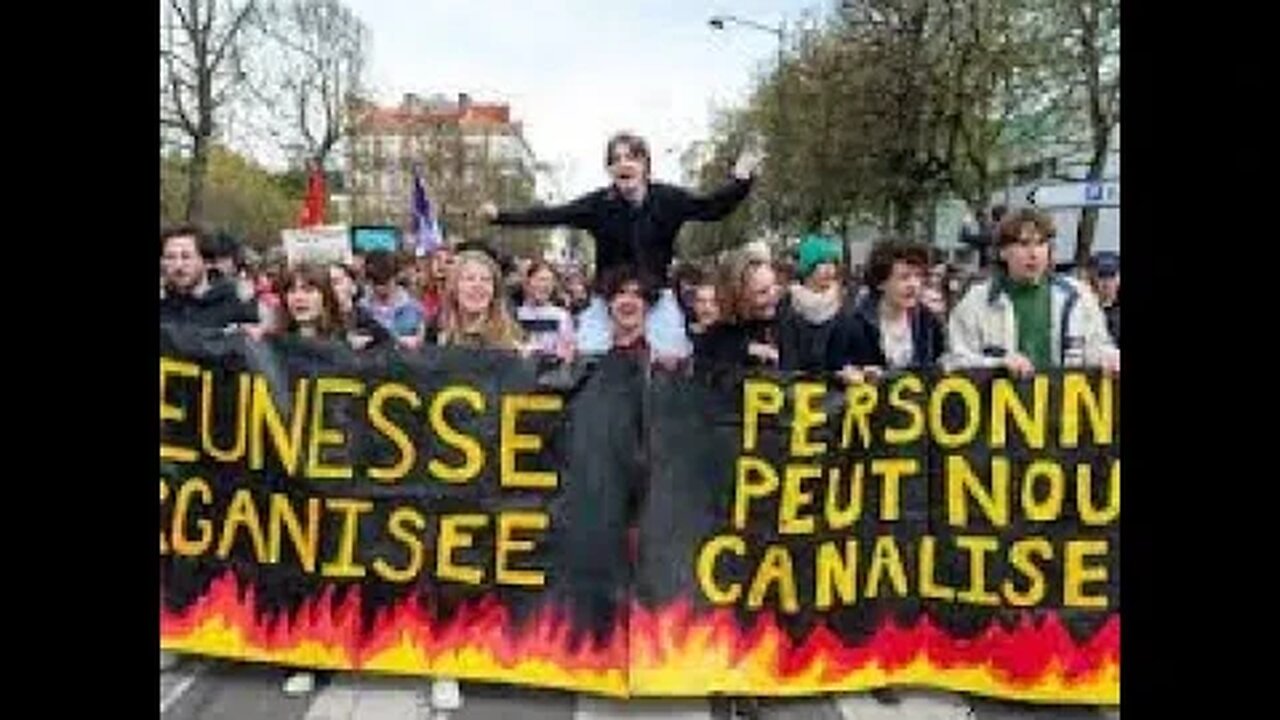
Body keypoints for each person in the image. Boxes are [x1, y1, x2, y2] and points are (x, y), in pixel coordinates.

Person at [481, 131, 760, 357]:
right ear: (610, 169)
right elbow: (551, 214)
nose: (624, 163)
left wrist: (741, 179)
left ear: (645, 166)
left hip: (656, 299)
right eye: (616, 159)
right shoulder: (598, 205)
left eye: (632, 157)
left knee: (673, 361)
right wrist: (500, 216)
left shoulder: (668, 199)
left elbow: (711, 208)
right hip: (607, 301)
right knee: (588, 358)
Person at [947, 208, 1119, 375]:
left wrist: (1108, 357)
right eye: (1024, 244)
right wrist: (997, 365)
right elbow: (955, 361)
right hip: (1000, 401)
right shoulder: (976, 301)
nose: (1034, 253)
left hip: (1063, 402)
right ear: (1002, 252)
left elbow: (1097, 346)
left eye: (1041, 244)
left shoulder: (1077, 296)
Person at [828, 238, 947, 382]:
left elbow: (939, 365)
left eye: (918, 276)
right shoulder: (851, 323)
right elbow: (831, 370)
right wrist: (851, 373)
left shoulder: (927, 320)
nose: (914, 284)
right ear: (881, 282)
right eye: (904, 277)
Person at [159, 224, 260, 333]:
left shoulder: (237, 308)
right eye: (170, 257)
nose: (178, 265)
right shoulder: (163, 309)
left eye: (186, 257)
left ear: (206, 262)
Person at [775, 234, 848, 373]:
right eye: (822, 262)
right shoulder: (788, 303)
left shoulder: (842, 303)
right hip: (798, 386)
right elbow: (787, 354)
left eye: (832, 262)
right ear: (808, 267)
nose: (829, 269)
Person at [695, 254, 781, 369]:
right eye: (763, 292)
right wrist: (746, 350)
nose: (773, 296)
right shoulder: (715, 339)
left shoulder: (790, 324)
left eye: (774, 286)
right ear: (739, 297)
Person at [437, 250, 524, 353]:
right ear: (454, 287)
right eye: (469, 279)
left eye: (485, 279)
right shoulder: (436, 336)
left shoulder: (512, 343)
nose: (478, 285)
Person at [360, 251, 427, 349]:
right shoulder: (362, 309)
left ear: (396, 276)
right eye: (375, 281)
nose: (380, 287)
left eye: (385, 280)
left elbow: (420, 343)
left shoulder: (413, 308)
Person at [516, 260, 576, 360]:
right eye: (541, 279)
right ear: (528, 282)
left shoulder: (561, 316)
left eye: (550, 281)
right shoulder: (514, 314)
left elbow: (568, 353)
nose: (546, 285)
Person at [329, 262, 395, 350]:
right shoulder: (323, 322)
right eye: (326, 283)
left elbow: (387, 342)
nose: (330, 288)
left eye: (336, 282)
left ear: (353, 286)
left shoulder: (365, 319)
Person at [1089, 251, 1120, 347]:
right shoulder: (1083, 310)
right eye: (1102, 276)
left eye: (1111, 276)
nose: (1107, 283)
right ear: (1092, 278)